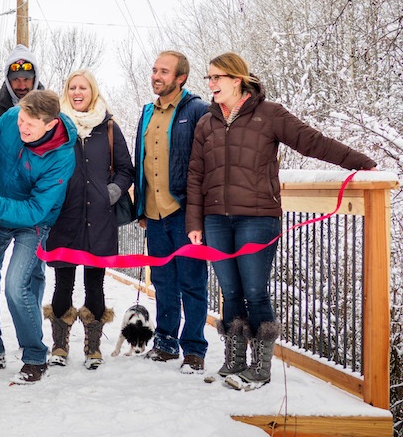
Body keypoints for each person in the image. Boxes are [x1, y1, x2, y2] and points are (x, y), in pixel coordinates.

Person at [186, 52, 377, 389]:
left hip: (257, 218)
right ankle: (234, 362)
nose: (211, 84)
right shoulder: (206, 122)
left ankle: (260, 368)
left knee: (256, 292)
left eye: (217, 77)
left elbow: (312, 142)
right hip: (216, 219)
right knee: (230, 293)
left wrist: (359, 162)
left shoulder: (269, 114)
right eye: (209, 78)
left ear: (237, 79)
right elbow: (196, 175)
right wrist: (194, 222)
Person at [0, 89, 76, 384]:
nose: (22, 126)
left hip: (32, 223)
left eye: (30, 125)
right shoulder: (11, 118)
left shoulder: (62, 156)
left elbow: (36, 209)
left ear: (50, 124)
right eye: (22, 119)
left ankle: (35, 355)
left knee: (15, 286)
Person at [44, 69, 135, 369]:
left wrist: (110, 192)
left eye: (83, 87)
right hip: (65, 218)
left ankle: (93, 348)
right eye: (72, 87)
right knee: (62, 285)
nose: (77, 92)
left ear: (92, 91)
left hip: (99, 219)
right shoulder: (56, 127)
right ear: (66, 92)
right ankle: (59, 346)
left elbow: (125, 169)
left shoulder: (108, 127)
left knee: (95, 286)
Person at [133, 50, 209, 373]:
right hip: (153, 214)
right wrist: (139, 208)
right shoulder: (147, 112)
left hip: (184, 212)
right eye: (154, 70)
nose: (156, 76)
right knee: (162, 280)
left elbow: (206, 162)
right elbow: (142, 163)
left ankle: (194, 349)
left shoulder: (197, 111)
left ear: (181, 78)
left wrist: (201, 210)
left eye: (164, 71)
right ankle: (165, 342)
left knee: (192, 281)